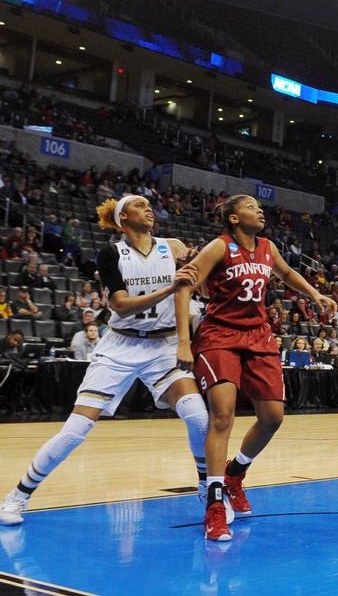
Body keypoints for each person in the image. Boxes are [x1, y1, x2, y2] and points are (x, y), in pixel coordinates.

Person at [0, 195, 206, 527]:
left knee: (198, 416)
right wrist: (170, 287)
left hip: (163, 346)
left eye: (150, 204)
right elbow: (122, 306)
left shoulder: (174, 245)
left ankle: (207, 488)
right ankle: (17, 496)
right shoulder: (111, 253)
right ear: (123, 216)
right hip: (119, 347)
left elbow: (196, 291)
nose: (149, 208)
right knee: (75, 430)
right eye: (140, 205)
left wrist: (187, 329)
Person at [174, 195, 337, 542]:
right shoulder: (219, 246)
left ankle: (235, 474)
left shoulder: (267, 246)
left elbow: (288, 273)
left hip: (259, 335)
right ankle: (215, 507)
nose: (259, 210)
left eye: (258, 207)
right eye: (250, 206)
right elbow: (185, 285)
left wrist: (315, 295)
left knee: (273, 417)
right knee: (222, 416)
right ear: (233, 218)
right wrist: (184, 341)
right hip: (220, 335)